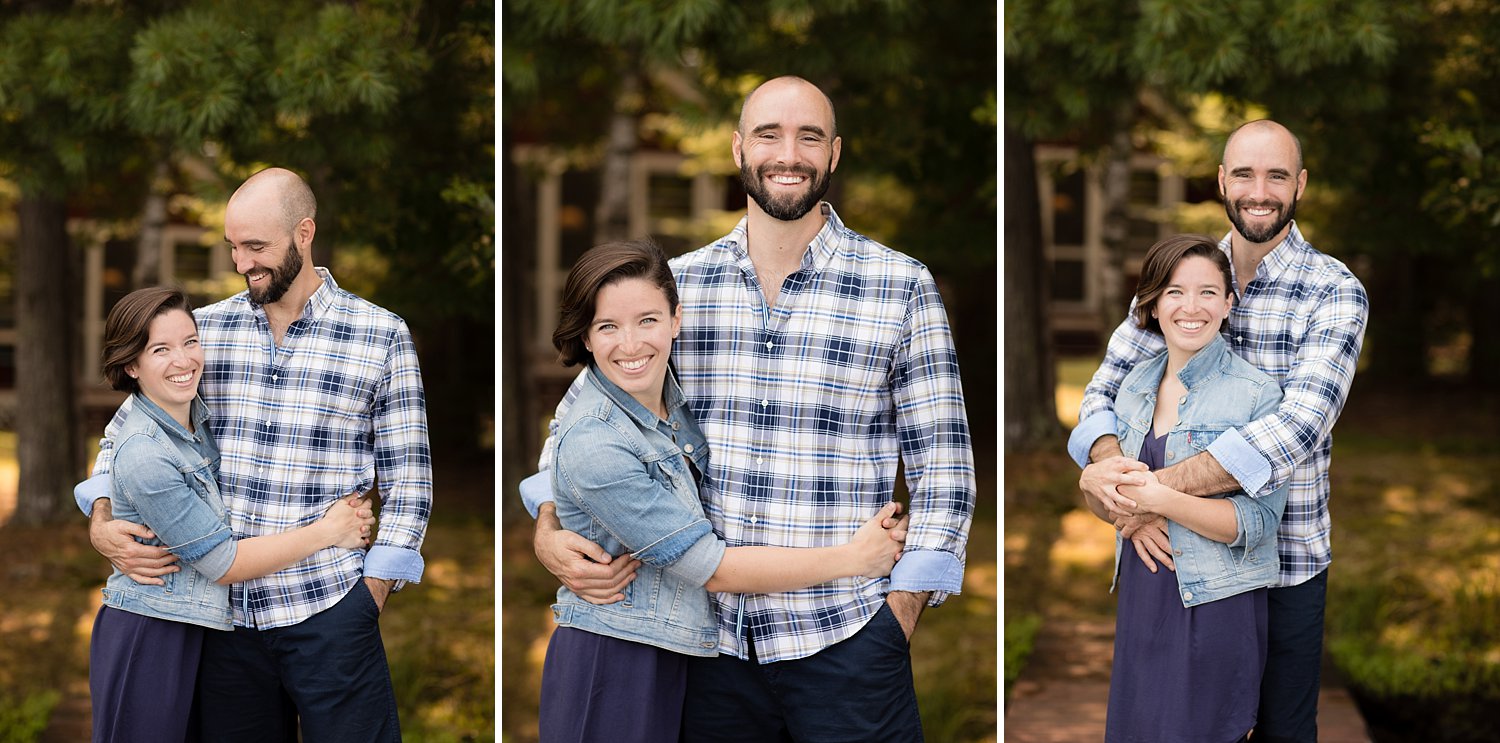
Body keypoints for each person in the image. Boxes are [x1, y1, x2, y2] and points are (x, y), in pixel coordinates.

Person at [520, 75, 975, 741]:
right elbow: (582, 419)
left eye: (808, 136)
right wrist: (549, 526)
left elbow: (946, 467)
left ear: (835, 153)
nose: (787, 153)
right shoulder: (676, 288)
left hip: (847, 638)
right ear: (738, 148)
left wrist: (898, 613)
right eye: (769, 134)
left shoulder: (899, 287)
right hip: (709, 651)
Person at [76, 168, 432, 742]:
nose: (242, 262)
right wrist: (100, 518)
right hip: (224, 622)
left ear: (304, 233)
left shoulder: (381, 335)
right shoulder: (202, 334)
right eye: (234, 247)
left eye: (256, 247)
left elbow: (409, 481)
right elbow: (126, 437)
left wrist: (371, 596)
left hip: (331, 608)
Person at [538, 238, 910, 742]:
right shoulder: (598, 439)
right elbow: (707, 566)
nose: (630, 344)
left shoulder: (665, 392)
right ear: (585, 336)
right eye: (607, 326)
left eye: (647, 320)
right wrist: (855, 558)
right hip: (615, 656)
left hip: (683, 656)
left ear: (676, 319)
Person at [1070, 120, 1369, 743]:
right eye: (1244, 174)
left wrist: (1148, 497)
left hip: (1284, 562)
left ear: (1300, 184)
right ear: (1221, 181)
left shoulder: (1334, 291)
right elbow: (1103, 392)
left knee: (1279, 731)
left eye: (1276, 176)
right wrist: (1109, 470)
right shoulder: (1185, 274)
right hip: (1168, 560)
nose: (1259, 191)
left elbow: (1296, 429)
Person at [88, 286, 376, 742]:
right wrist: (328, 530)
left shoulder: (191, 415)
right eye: (160, 350)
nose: (183, 361)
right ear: (131, 365)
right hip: (152, 634)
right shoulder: (146, 453)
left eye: (189, 342)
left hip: (203, 631)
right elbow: (223, 562)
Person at [1080, 235, 1288, 742]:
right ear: (1151, 304)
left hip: (1216, 606)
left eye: (1208, 293)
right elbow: (1103, 500)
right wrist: (1093, 482)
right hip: (1142, 601)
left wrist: (1160, 500)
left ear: (1228, 304)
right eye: (1174, 292)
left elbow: (1257, 525)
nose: (1190, 307)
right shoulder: (1131, 387)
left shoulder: (1257, 393)